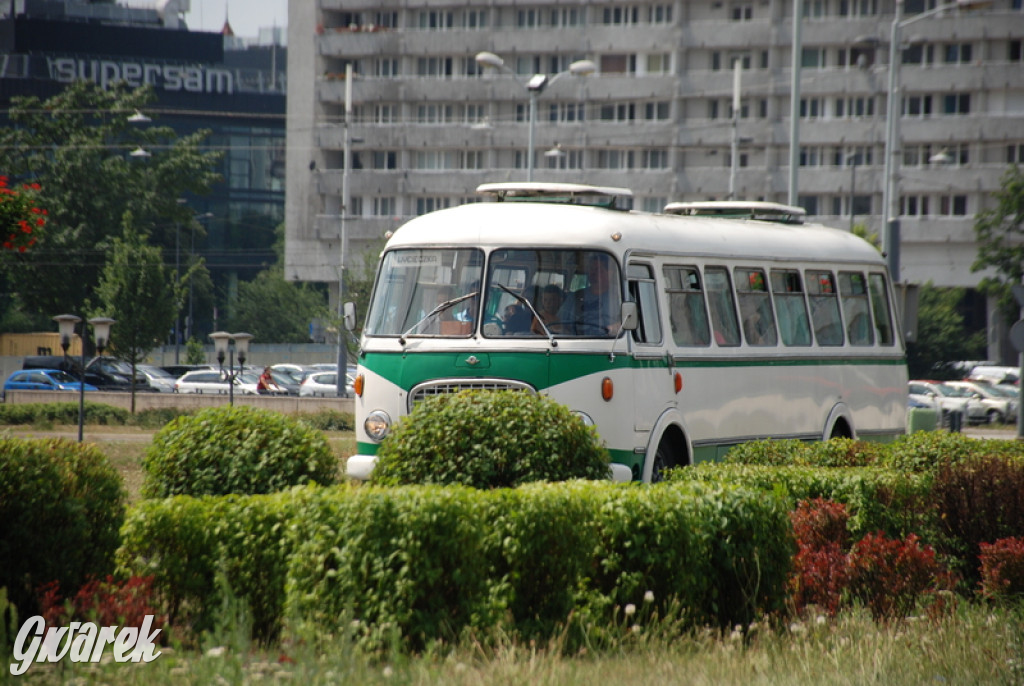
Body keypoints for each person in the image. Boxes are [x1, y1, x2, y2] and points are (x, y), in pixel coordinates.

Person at [558, 254, 620, 335]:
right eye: (591, 269)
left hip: (610, 343)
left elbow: (632, 320)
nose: (593, 273)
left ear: (609, 273)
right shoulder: (575, 296)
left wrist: (616, 327)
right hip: (577, 342)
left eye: (597, 269)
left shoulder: (620, 296)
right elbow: (559, 322)